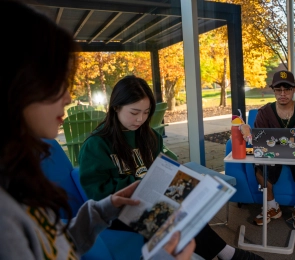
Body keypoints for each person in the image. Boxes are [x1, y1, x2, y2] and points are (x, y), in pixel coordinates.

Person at [0, 1, 195, 259]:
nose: (69, 97)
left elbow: (56, 244)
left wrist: (104, 209)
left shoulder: (19, 173)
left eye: (145, 113)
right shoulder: (6, 214)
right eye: (55, 83)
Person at [78, 75, 264, 260]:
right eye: (134, 112)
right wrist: (141, 184)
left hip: (153, 199)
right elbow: (97, 193)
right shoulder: (96, 145)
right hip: (119, 212)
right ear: (116, 107)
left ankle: (224, 253)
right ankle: (227, 253)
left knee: (188, 203)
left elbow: (163, 168)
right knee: (173, 215)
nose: (141, 119)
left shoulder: (150, 137)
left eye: (146, 112)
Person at [252, 70, 295, 230]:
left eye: (287, 89)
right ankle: (272, 206)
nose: (283, 94)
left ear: (294, 89)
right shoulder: (264, 112)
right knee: (259, 167)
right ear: (274, 90)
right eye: (278, 90)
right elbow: (259, 141)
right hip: (272, 155)